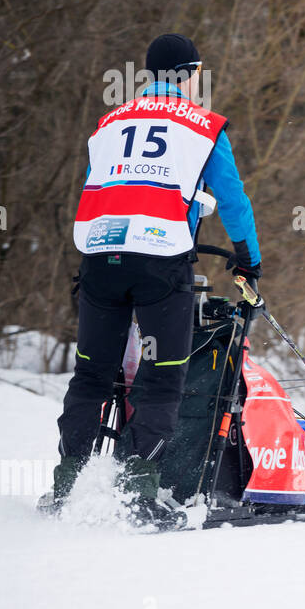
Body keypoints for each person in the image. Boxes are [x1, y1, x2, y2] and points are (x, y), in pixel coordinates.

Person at [40, 33, 262, 525]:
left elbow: (103, 186)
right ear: (191, 74)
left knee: (92, 375)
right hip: (161, 261)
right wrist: (249, 259)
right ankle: (139, 493)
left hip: (100, 255)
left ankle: (65, 486)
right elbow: (232, 199)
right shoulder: (205, 125)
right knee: (163, 379)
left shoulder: (110, 121)